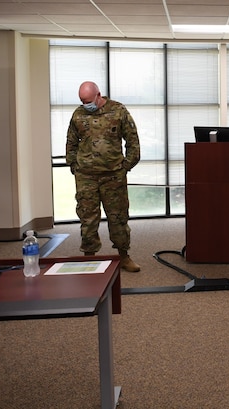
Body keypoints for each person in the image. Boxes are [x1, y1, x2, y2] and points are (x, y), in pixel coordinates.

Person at [66, 81, 141, 272]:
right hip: (86, 177)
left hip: (113, 176)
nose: (86, 105)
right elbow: (71, 142)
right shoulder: (78, 114)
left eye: (89, 101)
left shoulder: (118, 111)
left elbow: (132, 140)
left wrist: (126, 166)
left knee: (118, 218)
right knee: (88, 219)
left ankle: (123, 256)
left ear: (99, 95)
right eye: (82, 101)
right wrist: (74, 165)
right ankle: (89, 258)